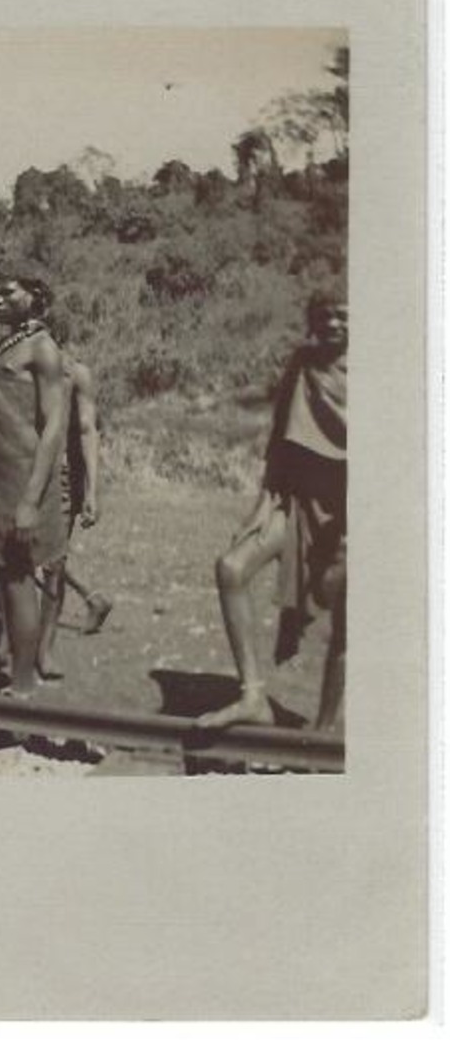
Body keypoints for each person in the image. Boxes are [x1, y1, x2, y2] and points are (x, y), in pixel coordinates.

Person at [197, 290, 347, 732]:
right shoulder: (302, 362)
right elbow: (280, 440)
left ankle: (322, 734)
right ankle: (253, 697)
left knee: (347, 622)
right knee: (231, 568)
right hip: (294, 503)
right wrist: (263, 506)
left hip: (351, 513)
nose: (332, 324)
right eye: (324, 315)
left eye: (342, 316)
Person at [0, 274, 67, 698]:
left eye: (9, 292)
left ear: (36, 295)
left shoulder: (43, 349)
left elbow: (54, 428)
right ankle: (19, 672)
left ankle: (23, 686)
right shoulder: (6, 344)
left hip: (25, 480)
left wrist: (30, 500)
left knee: (19, 577)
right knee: (8, 574)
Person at [35, 326, 113, 680]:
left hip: (63, 477)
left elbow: (87, 429)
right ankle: (13, 642)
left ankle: (44, 650)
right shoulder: (20, 370)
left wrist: (93, 490)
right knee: (15, 555)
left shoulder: (76, 375)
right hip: (24, 472)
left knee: (53, 563)